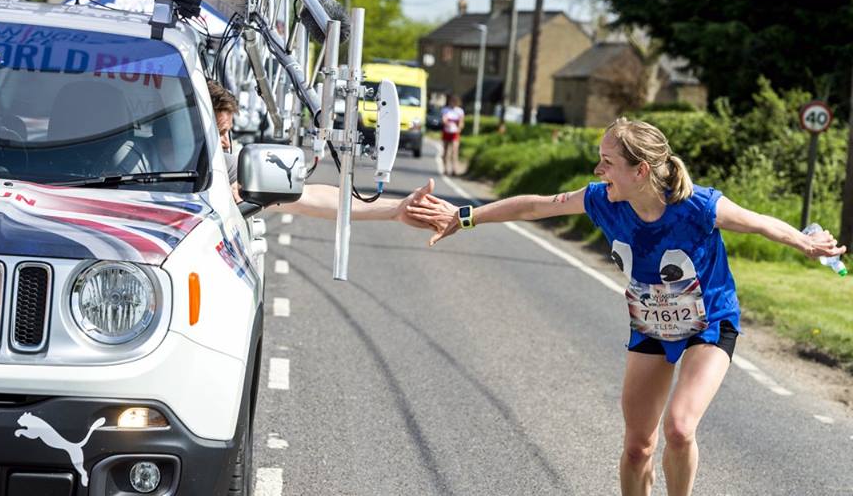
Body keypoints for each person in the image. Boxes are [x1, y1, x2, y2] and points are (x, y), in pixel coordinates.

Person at [407, 117, 845, 496]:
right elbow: (538, 206)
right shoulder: (602, 200)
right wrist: (464, 217)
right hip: (651, 328)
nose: (598, 170)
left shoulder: (697, 206)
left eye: (608, 163)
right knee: (638, 446)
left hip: (708, 326)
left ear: (641, 170)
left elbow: (761, 223)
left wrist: (805, 242)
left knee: (679, 428)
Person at [206, 80, 437, 227]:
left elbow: (312, 197)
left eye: (228, 132)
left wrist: (396, 209)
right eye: (220, 132)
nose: (227, 143)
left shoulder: (226, 167)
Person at [440, 94, 465, 176]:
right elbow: (444, 120)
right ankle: (445, 168)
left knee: (454, 151)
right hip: (447, 132)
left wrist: (458, 128)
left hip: (455, 133)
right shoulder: (445, 110)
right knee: (446, 151)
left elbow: (461, 122)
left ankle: (454, 169)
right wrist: (448, 124)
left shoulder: (460, 111)